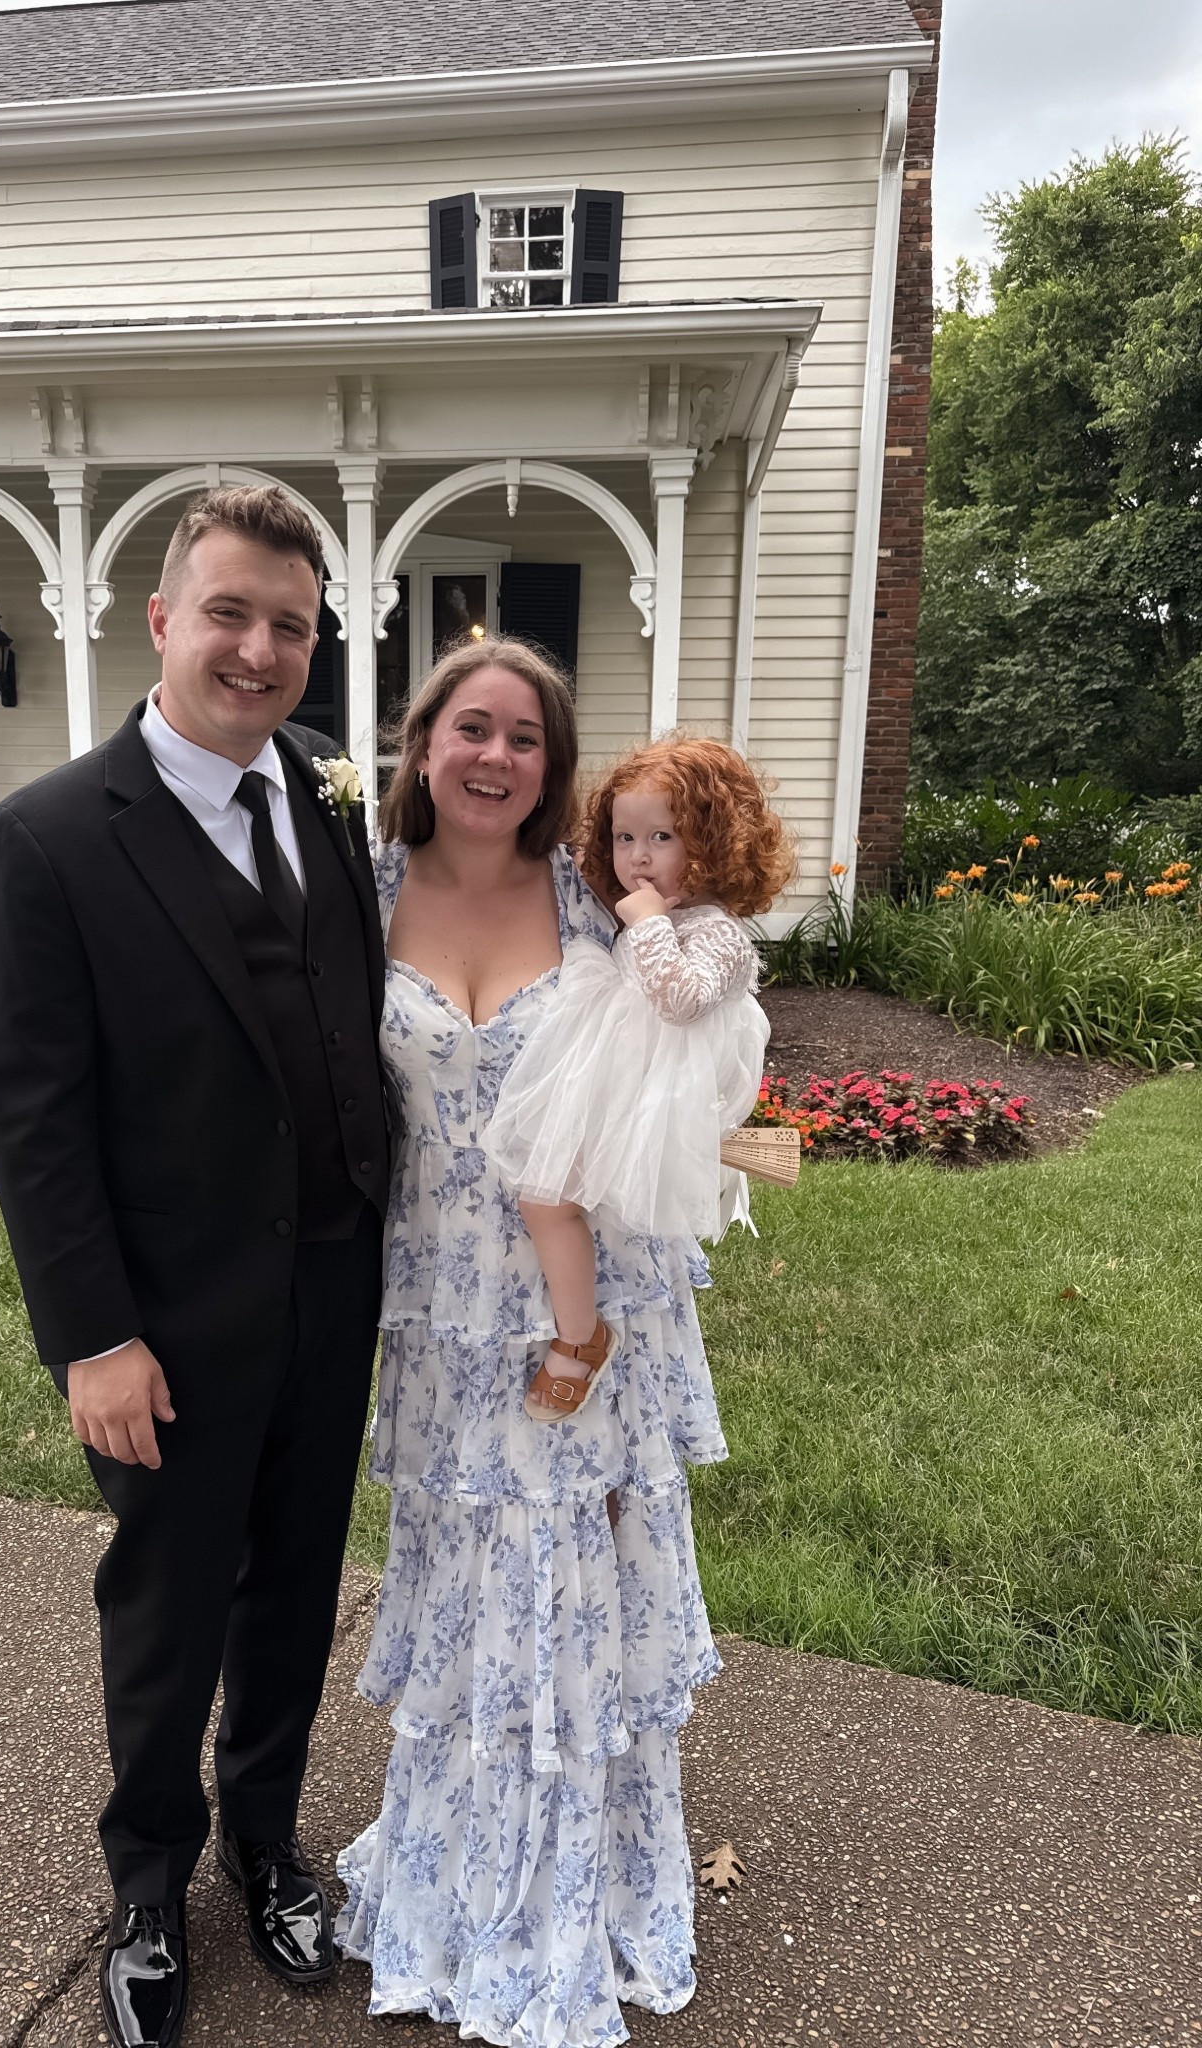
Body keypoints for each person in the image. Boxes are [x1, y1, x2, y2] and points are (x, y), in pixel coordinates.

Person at [0, 486, 390, 2048]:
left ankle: (262, 1841)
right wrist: (93, 1340)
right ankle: (147, 1885)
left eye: (290, 623)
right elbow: (36, 1120)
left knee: (292, 1590)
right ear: (162, 621)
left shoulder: (329, 807)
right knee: (167, 1602)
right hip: (167, 1324)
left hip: (332, 1293)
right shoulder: (51, 840)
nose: (260, 647)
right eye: (230, 612)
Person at [336, 644, 727, 2046]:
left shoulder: (604, 902)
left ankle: (583, 1889)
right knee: (470, 1576)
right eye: (471, 728)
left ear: (554, 770)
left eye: (527, 740)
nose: (496, 756)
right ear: (424, 742)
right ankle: (459, 1873)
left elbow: (698, 1045)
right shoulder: (357, 897)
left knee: (573, 1569)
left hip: (589, 1299)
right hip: (440, 1295)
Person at [487, 734, 793, 1424]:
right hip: (616, 1094)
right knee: (543, 1197)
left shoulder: (718, 932)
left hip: (653, 1108)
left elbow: (679, 999)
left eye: (663, 836)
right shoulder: (659, 917)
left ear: (715, 843)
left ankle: (579, 1339)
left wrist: (650, 923)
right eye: (625, 837)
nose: (639, 857)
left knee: (547, 1198)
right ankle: (581, 1332)